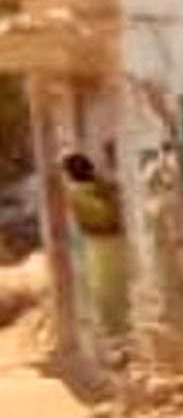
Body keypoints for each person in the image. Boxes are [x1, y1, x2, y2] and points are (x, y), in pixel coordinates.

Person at [58, 151, 127, 354]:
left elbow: (102, 218)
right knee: (112, 288)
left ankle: (115, 337)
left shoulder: (79, 193)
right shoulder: (99, 187)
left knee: (104, 291)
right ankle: (117, 335)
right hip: (110, 240)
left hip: (100, 241)